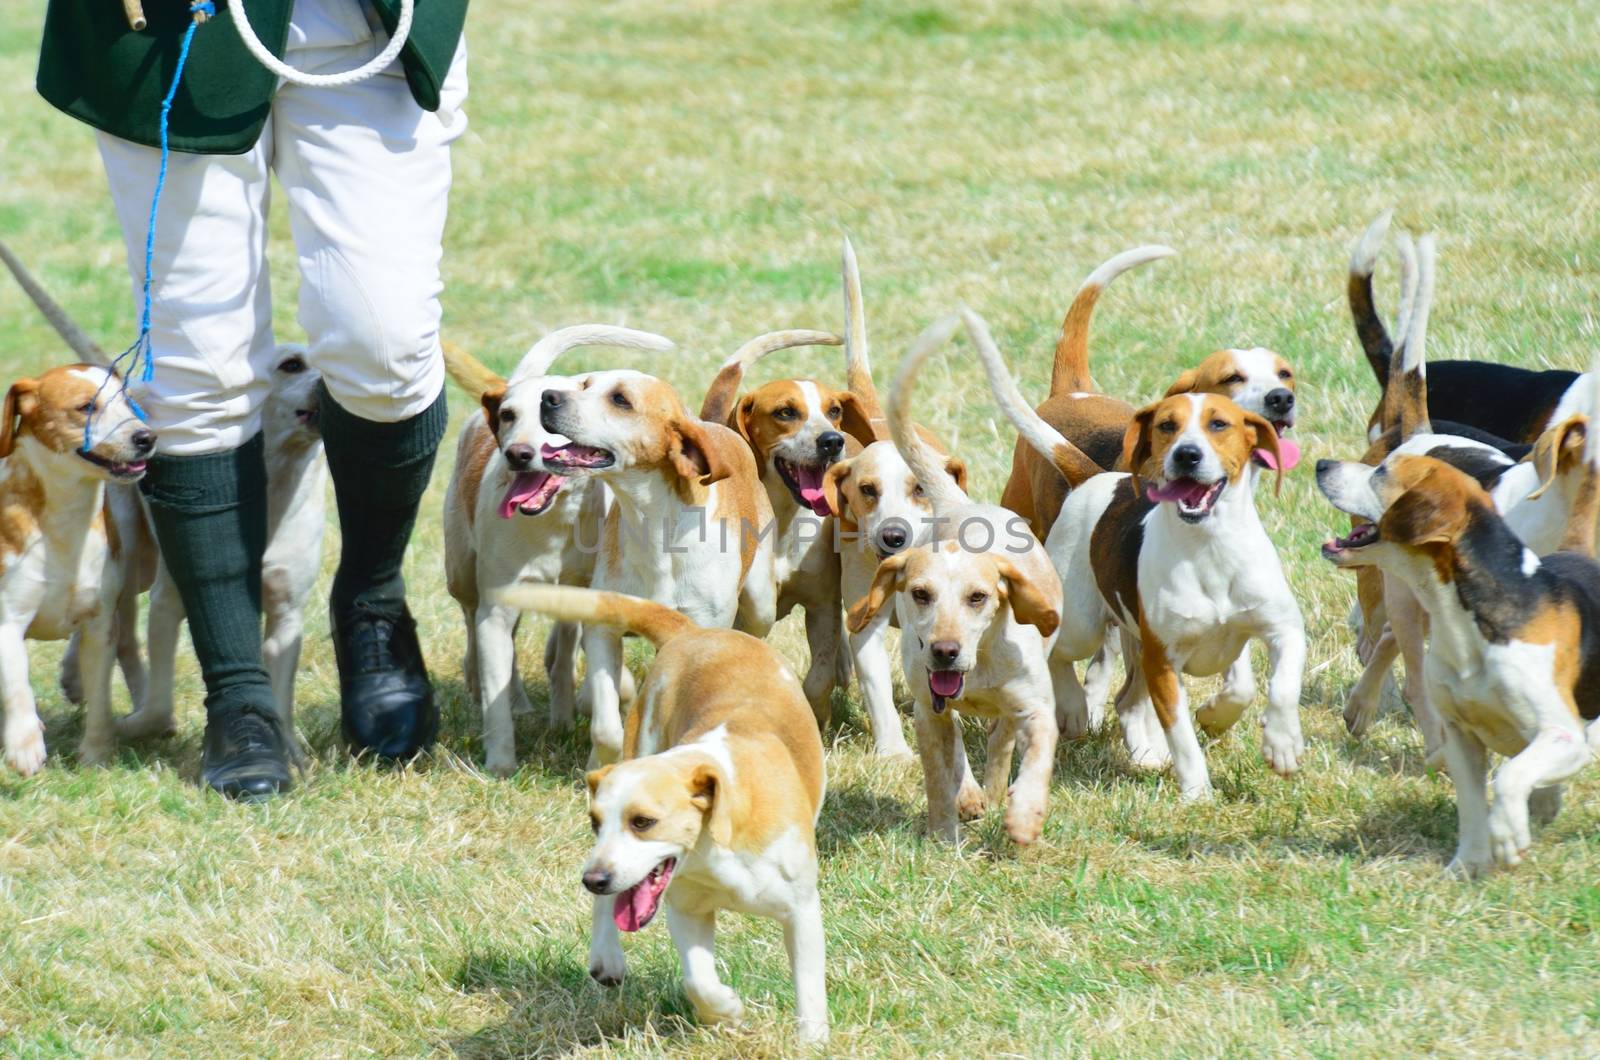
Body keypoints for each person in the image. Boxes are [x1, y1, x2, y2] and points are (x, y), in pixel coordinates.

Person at [35, 0, 470, 798]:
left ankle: (371, 600)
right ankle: (239, 694)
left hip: (366, 24)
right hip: (170, 30)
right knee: (200, 366)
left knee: (382, 335)